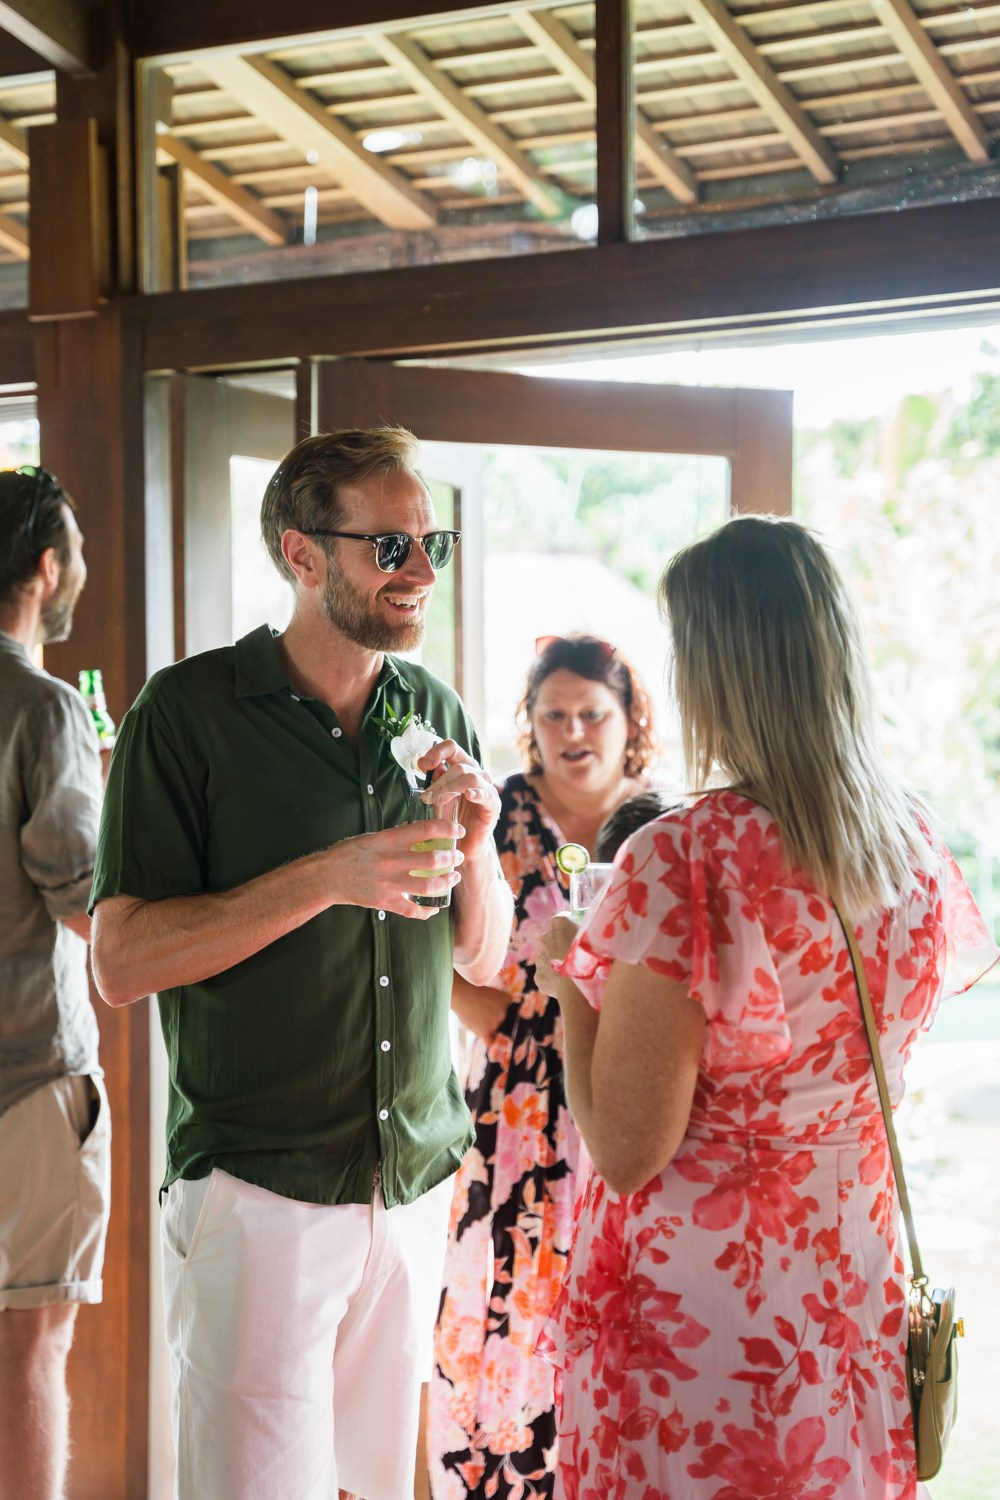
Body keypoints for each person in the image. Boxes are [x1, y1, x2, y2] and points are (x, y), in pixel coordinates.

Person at [534, 515, 999, 1500]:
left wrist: (571, 980)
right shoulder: (911, 843)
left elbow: (626, 1148)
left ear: (716, 672)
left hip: (709, 1311)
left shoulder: (684, 857)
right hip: (849, 1275)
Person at [89, 427, 513, 1500]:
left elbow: (482, 954)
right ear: (302, 554)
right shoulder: (185, 714)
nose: (421, 573)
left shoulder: (435, 711)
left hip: (410, 1186)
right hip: (257, 1190)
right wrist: (327, 876)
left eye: (432, 545)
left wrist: (477, 849)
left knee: (379, 1486)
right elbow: (121, 960)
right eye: (391, 548)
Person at [429, 633, 658, 1499]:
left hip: (634, 1083)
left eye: (592, 714)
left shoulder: (665, 824)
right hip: (520, 1099)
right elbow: (423, 924)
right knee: (517, 1298)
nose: (573, 733)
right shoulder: (497, 813)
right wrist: (475, 1007)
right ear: (530, 722)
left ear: (630, 720)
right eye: (553, 715)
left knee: (625, 1304)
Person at [0, 466, 111, 1500]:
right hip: (27, 1073)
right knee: (32, 1345)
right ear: (46, 567)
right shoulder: (43, 709)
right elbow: (86, 903)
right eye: (75, 551)